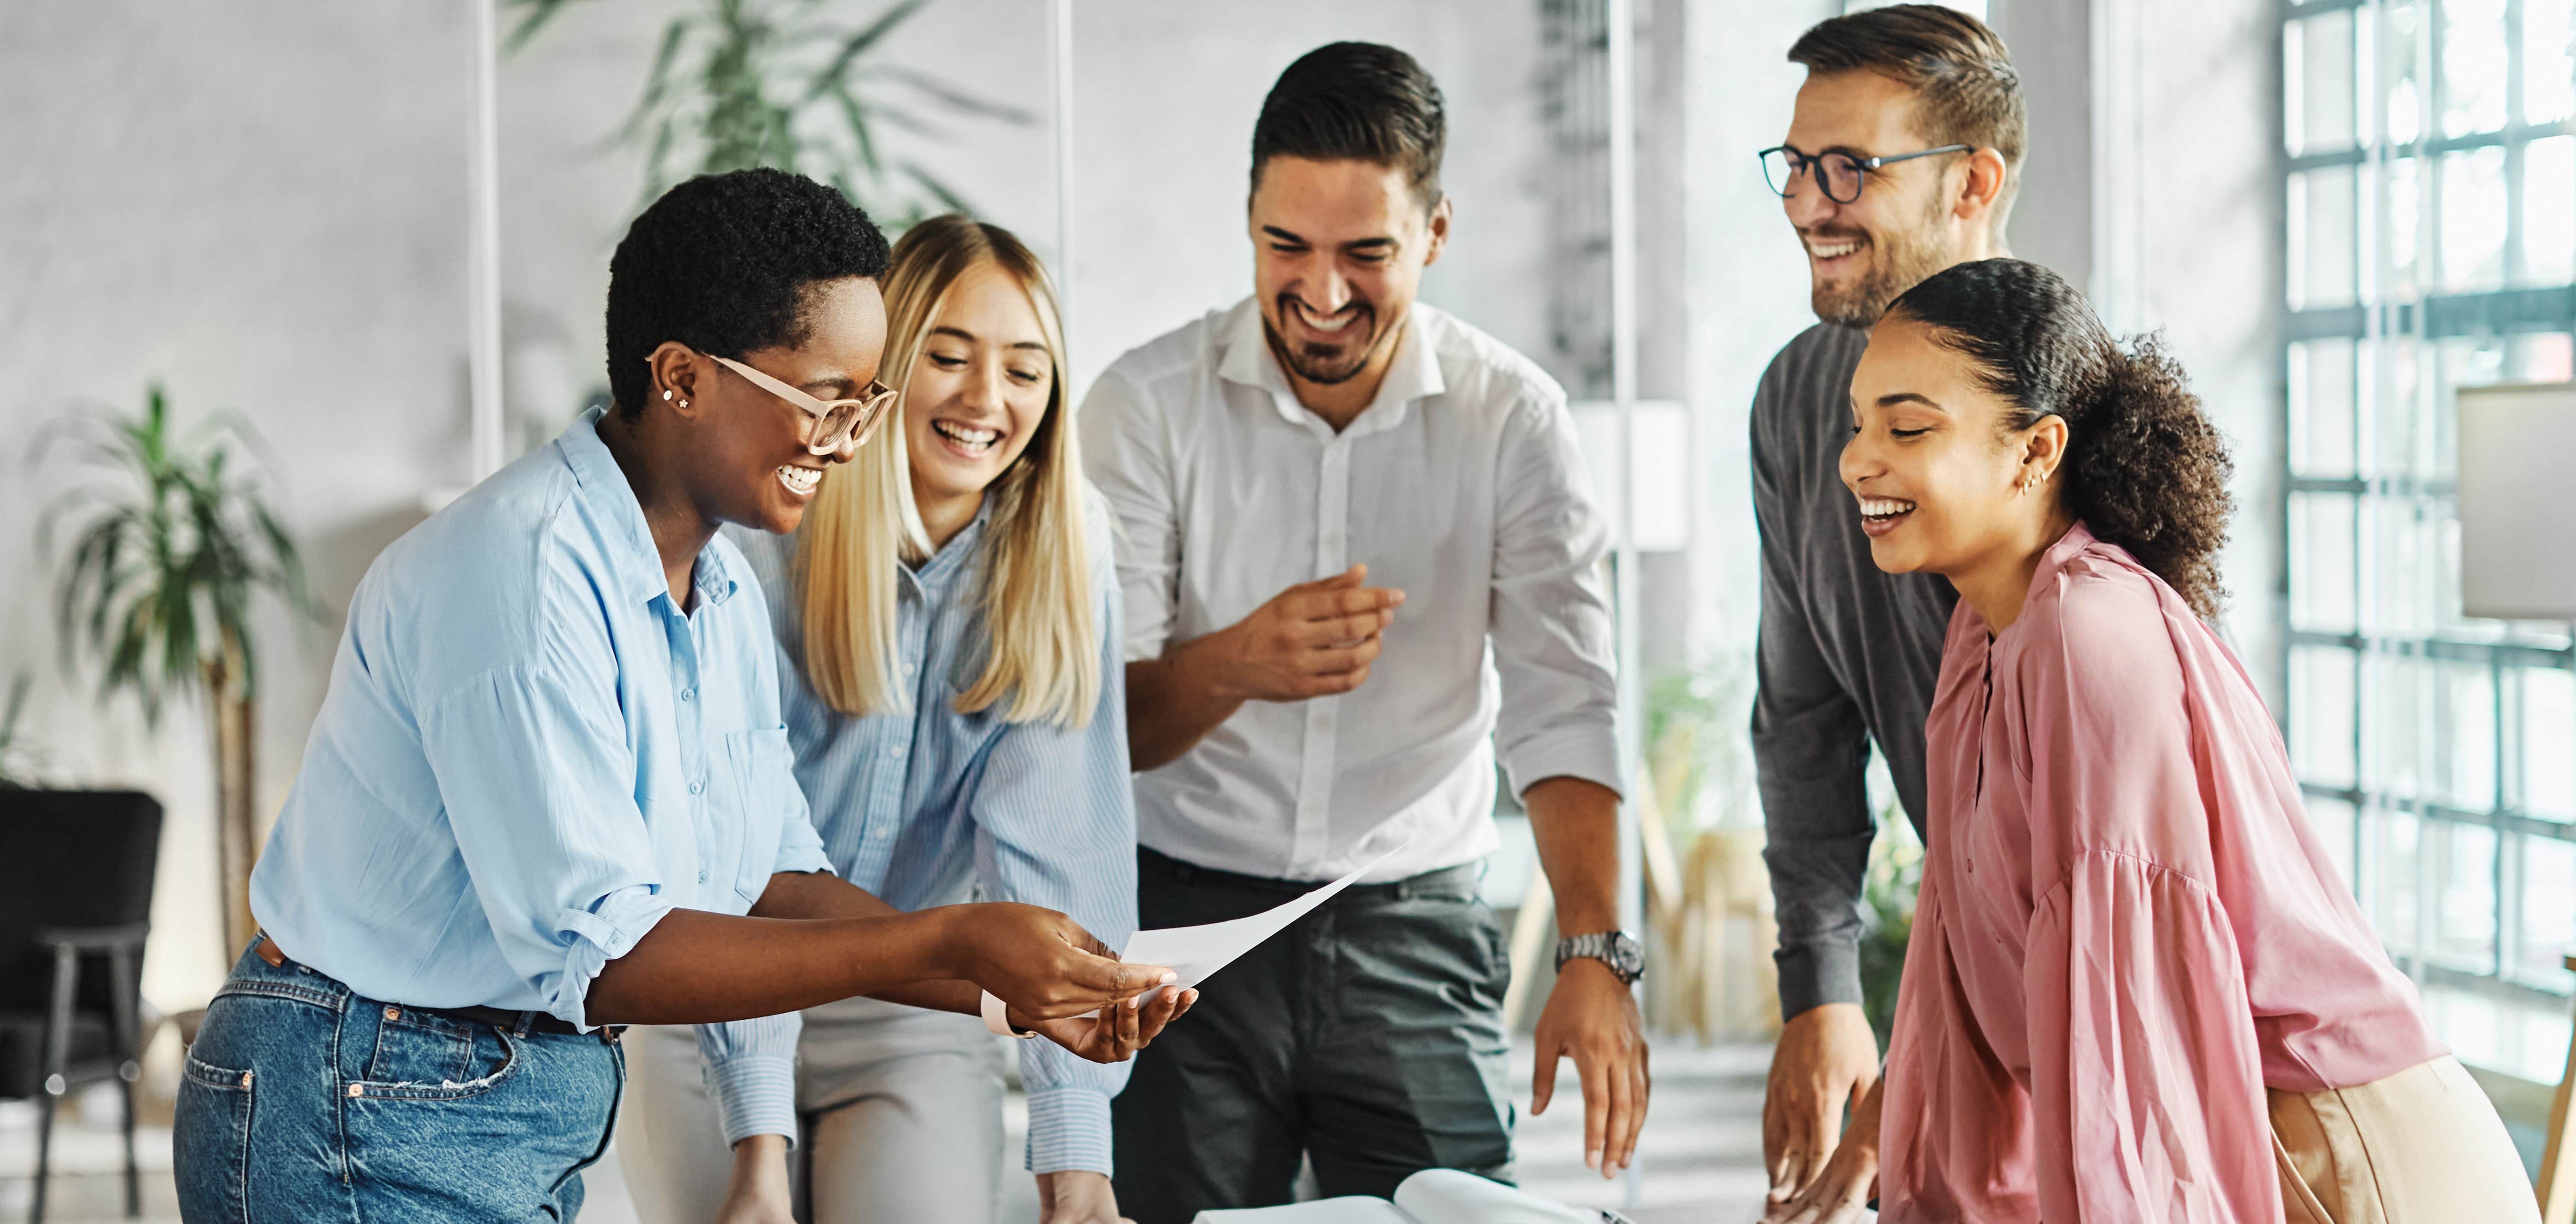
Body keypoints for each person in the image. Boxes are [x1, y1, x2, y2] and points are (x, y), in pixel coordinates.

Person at [174, 169, 1184, 1224]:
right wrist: (949, 944)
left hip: (477, 1093)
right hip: (355, 1097)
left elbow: (765, 876)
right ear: (683, 379)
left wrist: (1019, 991)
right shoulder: (524, 574)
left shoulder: (719, 586)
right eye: (823, 401)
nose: (848, 441)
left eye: (865, 401)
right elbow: (605, 952)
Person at [1782, 256, 2536, 1223]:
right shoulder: (1984, 638)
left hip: (2343, 1162)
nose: (1856, 459)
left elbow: (2135, 1051)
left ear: (2036, 450)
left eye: (1908, 426)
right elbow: (1960, 992)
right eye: (1859, 422)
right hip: (2238, 1148)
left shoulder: (2089, 635)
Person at [1080, 41, 1649, 1224]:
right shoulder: (1143, 406)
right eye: (1287, 246)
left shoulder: (1516, 419)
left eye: (1367, 253)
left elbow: (1565, 700)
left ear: (1437, 233)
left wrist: (1594, 953)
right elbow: (1098, 728)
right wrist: (1238, 661)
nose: (1323, 291)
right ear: (1247, 219)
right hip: (1184, 920)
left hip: (1414, 919)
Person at [622, 215, 1163, 1224]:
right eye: (947, 357)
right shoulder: (768, 532)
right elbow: (733, 859)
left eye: (1025, 370)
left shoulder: (1062, 552)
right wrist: (759, 1155)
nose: (986, 400)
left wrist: (1078, 1168)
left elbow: (1057, 856)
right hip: (717, 1003)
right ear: (877, 373)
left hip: (920, 1010)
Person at [1743, 6, 2025, 1210]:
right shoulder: (1798, 399)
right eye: (1799, 166)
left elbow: (2073, 846)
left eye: (1852, 167)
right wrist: (1821, 985)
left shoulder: (2069, 424)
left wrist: (1918, 1073)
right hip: (1976, 987)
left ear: (1972, 183)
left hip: (2122, 992)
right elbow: (1801, 718)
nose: (1811, 201)